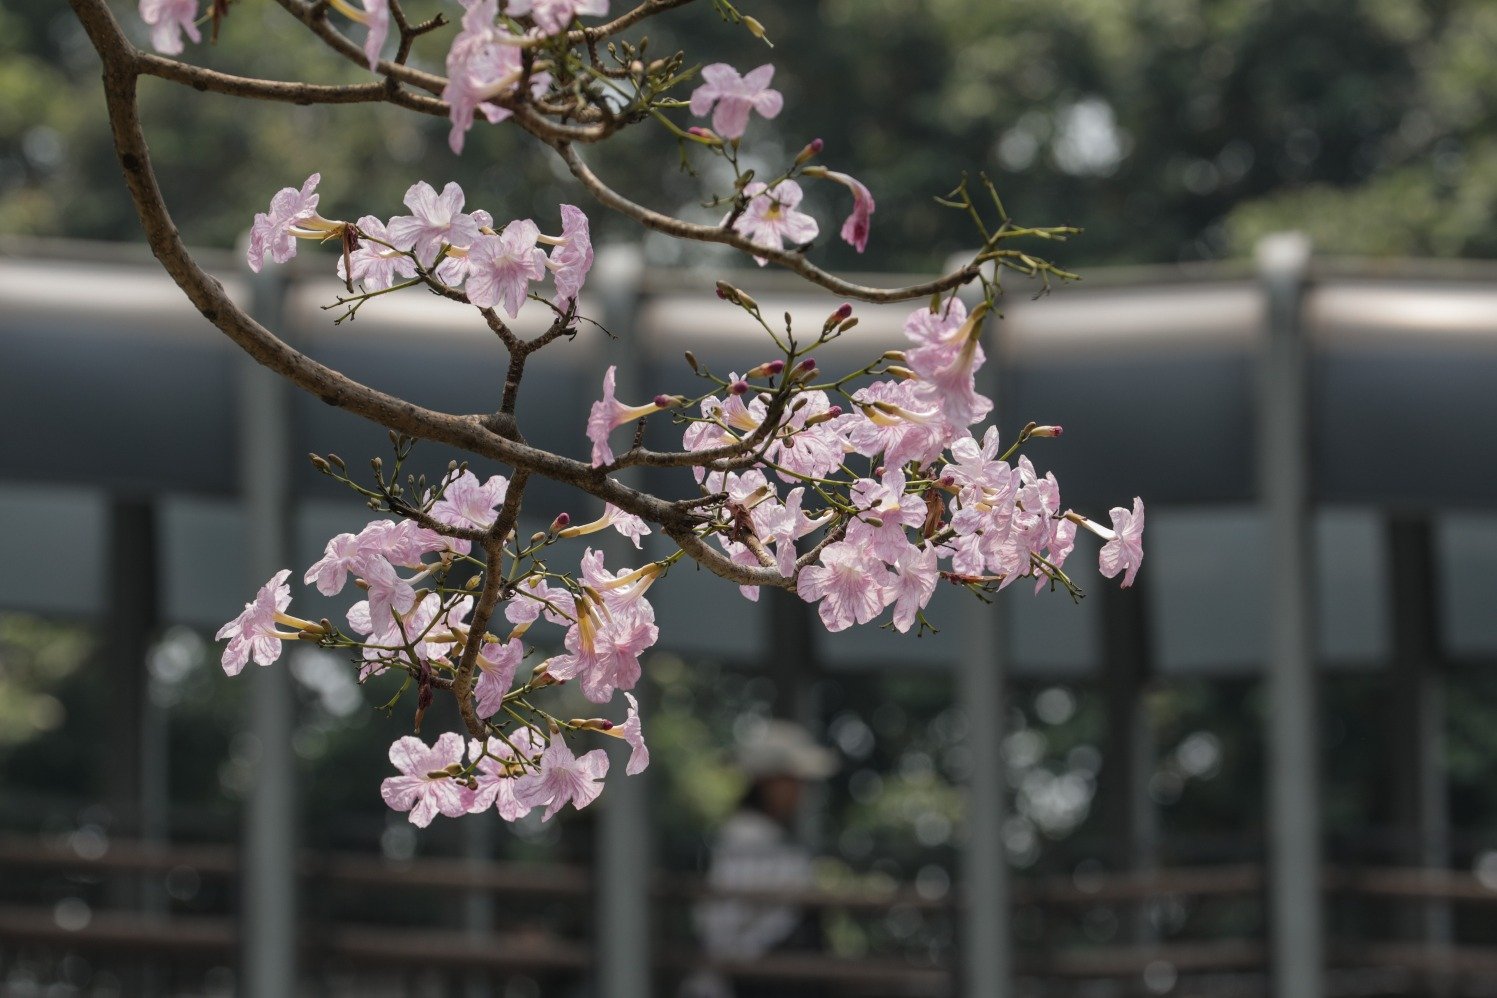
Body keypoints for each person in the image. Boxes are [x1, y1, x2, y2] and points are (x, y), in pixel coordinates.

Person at [681, 719, 840, 998]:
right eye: (792, 782)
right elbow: (725, 931)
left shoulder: (761, 839)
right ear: (769, 783)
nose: (798, 793)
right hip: (746, 980)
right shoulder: (746, 840)